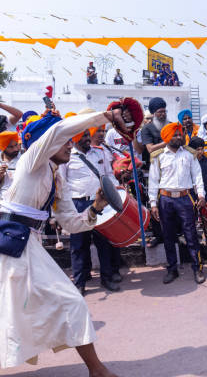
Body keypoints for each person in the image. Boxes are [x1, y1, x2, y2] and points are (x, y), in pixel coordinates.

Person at [0, 108, 130, 376]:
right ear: (47, 143)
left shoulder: (57, 177)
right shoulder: (32, 160)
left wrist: (96, 208)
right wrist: (105, 117)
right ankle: (97, 370)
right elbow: (57, 131)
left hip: (29, 246)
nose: (70, 144)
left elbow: (71, 223)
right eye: (64, 142)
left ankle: (96, 369)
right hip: (10, 245)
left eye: (70, 141)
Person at [58, 123, 122, 295]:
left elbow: (108, 175)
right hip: (78, 204)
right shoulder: (68, 157)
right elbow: (62, 183)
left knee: (104, 243)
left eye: (88, 135)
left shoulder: (99, 152)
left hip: (100, 202)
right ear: (75, 139)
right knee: (79, 245)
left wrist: (117, 192)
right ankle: (80, 282)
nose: (87, 138)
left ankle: (107, 278)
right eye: (83, 136)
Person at [148, 123, 206, 284]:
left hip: (185, 198)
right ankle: (172, 269)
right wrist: (153, 203)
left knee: (191, 235)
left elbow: (198, 177)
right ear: (166, 137)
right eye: (174, 135)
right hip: (165, 199)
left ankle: (197, 268)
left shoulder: (189, 154)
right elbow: (153, 181)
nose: (179, 137)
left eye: (180, 134)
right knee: (168, 236)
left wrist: (201, 194)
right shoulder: (158, 156)